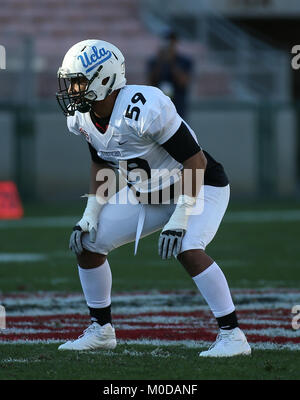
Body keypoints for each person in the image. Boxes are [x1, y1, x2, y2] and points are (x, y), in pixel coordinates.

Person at [55, 39, 251, 357]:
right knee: (88, 242)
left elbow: (196, 161)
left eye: (78, 81)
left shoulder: (143, 106)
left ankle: (233, 335)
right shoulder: (85, 117)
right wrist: (90, 212)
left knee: (187, 247)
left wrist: (180, 218)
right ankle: (101, 330)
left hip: (201, 186)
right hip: (149, 193)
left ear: (103, 79)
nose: (72, 89)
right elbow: (101, 162)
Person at [147, 31, 193, 119]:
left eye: (172, 43)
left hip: (178, 104)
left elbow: (183, 82)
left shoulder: (185, 61)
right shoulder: (154, 61)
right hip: (158, 104)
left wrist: (171, 62)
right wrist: (161, 61)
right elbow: (150, 81)